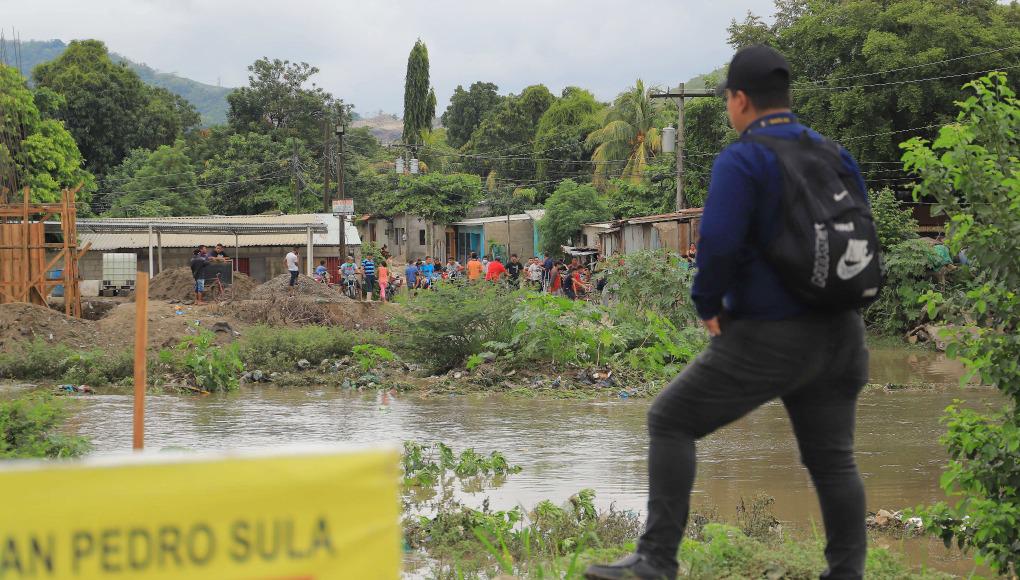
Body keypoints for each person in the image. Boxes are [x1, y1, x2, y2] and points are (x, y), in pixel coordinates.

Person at [586, 45, 871, 580]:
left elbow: (716, 241)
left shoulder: (745, 157)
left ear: (739, 100)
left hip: (772, 335)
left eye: (727, 100)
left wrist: (708, 304)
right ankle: (847, 574)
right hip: (844, 333)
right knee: (834, 459)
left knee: (669, 419)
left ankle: (656, 559)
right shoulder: (833, 153)